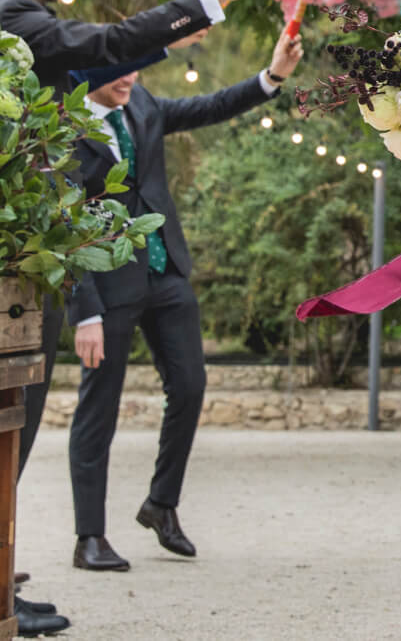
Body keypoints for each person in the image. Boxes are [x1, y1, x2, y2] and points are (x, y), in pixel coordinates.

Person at [0, 0, 267, 634]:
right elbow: (101, 44)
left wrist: (176, 37)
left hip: (31, 268)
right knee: (9, 433)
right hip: (27, 265)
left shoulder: (9, 20)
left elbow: (104, 56)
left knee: (13, 432)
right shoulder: (5, 17)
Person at [62, 28, 301, 572]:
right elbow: (62, 223)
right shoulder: (65, 129)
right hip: (108, 284)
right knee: (98, 409)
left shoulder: (141, 103)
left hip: (166, 272)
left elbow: (208, 106)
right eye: (117, 71)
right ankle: (89, 537)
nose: (128, 79)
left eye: (134, 69)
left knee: (190, 386)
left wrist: (273, 77)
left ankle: (161, 504)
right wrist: (87, 311)